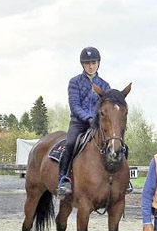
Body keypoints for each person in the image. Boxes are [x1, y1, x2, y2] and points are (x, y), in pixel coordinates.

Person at [57, 47, 133, 197]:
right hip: (79, 122)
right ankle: (64, 179)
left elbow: (110, 109)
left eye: (93, 63)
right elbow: (74, 105)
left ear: (98, 64)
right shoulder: (74, 82)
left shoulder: (105, 85)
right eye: (87, 63)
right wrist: (89, 118)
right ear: (82, 65)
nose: (90, 66)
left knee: (121, 146)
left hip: (101, 124)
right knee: (70, 143)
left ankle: (123, 180)